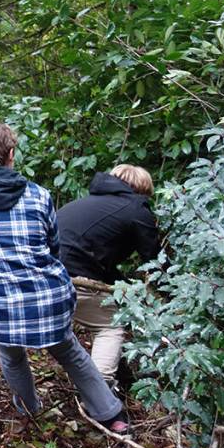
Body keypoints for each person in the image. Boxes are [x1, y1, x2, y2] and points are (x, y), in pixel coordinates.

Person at [0, 122, 128, 433]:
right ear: (11, 155)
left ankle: (29, 410)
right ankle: (111, 414)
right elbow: (53, 247)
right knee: (70, 351)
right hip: (46, 298)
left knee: (11, 356)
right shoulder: (38, 196)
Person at [58, 165, 159, 386]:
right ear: (141, 190)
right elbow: (155, 262)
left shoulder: (83, 204)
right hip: (75, 279)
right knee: (110, 326)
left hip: (43, 277)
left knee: (105, 311)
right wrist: (170, 294)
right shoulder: (136, 208)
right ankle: (99, 391)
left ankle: (123, 377)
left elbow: (95, 257)